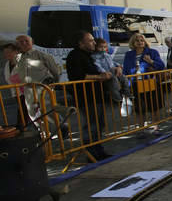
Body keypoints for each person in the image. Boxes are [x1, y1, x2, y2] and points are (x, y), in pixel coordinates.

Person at [66, 31, 111, 161]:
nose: (94, 43)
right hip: (86, 96)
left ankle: (99, 151)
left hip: (97, 95)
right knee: (92, 125)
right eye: (90, 40)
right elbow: (78, 76)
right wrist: (99, 77)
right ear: (81, 43)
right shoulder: (75, 56)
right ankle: (91, 153)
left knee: (99, 124)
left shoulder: (91, 55)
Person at [15, 34, 61, 122]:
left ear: (32, 43)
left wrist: (54, 84)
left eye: (26, 41)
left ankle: (61, 127)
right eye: (21, 42)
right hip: (28, 89)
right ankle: (42, 130)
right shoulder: (18, 58)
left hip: (42, 87)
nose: (24, 43)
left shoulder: (42, 55)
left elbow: (54, 71)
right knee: (31, 112)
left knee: (48, 109)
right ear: (17, 45)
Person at [92, 37, 128, 103]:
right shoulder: (95, 56)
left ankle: (127, 93)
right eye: (100, 47)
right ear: (96, 47)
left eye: (105, 47)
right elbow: (97, 65)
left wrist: (118, 66)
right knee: (114, 83)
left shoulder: (107, 55)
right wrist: (104, 72)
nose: (103, 49)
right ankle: (118, 98)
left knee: (124, 78)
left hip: (113, 70)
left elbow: (112, 62)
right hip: (106, 73)